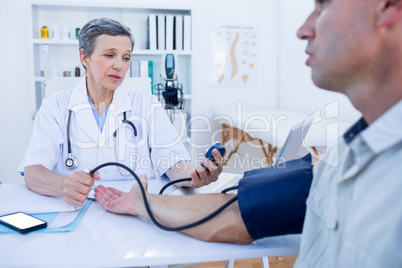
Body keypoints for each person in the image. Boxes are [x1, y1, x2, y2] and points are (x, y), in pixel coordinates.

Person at [94, 0, 402, 267]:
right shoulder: (341, 157)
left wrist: (183, 179)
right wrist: (140, 203)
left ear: (389, 6)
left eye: (323, 4)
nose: (302, 29)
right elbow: (235, 213)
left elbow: (177, 165)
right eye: (109, 55)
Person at [18, 18, 223, 207]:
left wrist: (195, 176)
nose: (119, 66)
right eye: (109, 55)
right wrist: (66, 184)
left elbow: (174, 163)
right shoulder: (55, 105)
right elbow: (33, 172)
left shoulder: (147, 104)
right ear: (84, 57)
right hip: (75, 209)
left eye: (126, 58)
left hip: (133, 209)